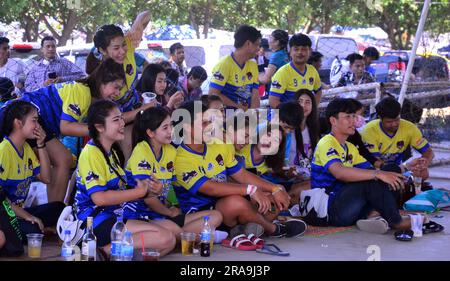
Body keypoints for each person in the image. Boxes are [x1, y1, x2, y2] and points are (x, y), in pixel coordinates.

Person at [173, 101, 306, 239]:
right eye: (204, 123)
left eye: (210, 122)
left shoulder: (219, 144)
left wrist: (275, 188)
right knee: (236, 202)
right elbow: (211, 188)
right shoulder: (179, 158)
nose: (210, 127)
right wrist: (250, 190)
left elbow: (240, 174)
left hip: (226, 205)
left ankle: (241, 229)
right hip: (203, 213)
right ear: (187, 127)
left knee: (275, 198)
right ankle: (274, 229)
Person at [0, 58, 126, 202]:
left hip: (30, 116)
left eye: (120, 89)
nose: (118, 93)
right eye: (116, 87)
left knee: (62, 160)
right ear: (102, 81)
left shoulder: (88, 94)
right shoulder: (83, 91)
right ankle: (55, 211)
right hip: (24, 115)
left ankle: (52, 210)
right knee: (63, 159)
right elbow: (66, 127)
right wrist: (103, 131)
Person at [311, 98, 430, 237]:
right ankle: (396, 222)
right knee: (373, 180)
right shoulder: (327, 142)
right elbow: (339, 172)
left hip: (347, 204)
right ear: (333, 121)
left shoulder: (349, 147)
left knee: (390, 170)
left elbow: (374, 170)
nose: (353, 121)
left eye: (354, 116)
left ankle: (371, 215)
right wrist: (378, 175)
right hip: (329, 210)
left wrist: (406, 167)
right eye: (347, 117)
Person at [74, 100, 176, 257]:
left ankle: (113, 254)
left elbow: (125, 190)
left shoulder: (111, 151)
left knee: (169, 235)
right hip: (94, 219)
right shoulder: (91, 153)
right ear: (99, 127)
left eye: (121, 118)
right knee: (165, 238)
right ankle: (100, 254)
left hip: (114, 213)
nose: (122, 123)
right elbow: (99, 198)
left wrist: (154, 190)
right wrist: (140, 191)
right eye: (116, 120)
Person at [123, 106, 222, 239]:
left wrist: (173, 205)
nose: (171, 131)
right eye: (165, 128)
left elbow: (171, 186)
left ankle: (184, 237)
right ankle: (196, 238)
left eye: (171, 126)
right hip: (139, 215)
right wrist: (170, 213)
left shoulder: (170, 150)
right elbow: (149, 199)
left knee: (215, 216)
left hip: (162, 214)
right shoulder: (142, 152)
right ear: (151, 133)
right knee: (172, 228)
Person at [0, 100, 65, 236]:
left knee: (59, 208)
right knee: (32, 229)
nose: (38, 126)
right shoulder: (4, 151)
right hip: (4, 213)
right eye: (34, 121)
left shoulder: (27, 149)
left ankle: (31, 227)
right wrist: (27, 216)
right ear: (18, 123)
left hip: (18, 213)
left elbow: (46, 178)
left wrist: (41, 145)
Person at [361, 97, 434, 179]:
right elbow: (376, 163)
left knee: (423, 173)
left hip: (397, 169)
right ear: (380, 118)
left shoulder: (410, 128)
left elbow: (428, 152)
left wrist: (423, 164)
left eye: (397, 119)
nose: (394, 124)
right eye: (389, 122)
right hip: (373, 171)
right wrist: (405, 167)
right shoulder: (369, 130)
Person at [209, 25, 261, 110]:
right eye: (257, 45)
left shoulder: (253, 64)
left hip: (245, 118)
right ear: (248, 44)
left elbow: (255, 95)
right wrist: (238, 107)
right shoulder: (224, 64)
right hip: (226, 118)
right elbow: (212, 95)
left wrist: (252, 115)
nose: (259, 49)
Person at [269, 33, 322, 109]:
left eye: (304, 49)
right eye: (296, 49)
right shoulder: (283, 72)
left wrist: (312, 108)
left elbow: (319, 91)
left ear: (310, 51)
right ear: (290, 51)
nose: (300, 52)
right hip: (285, 119)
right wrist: (292, 115)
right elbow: (273, 101)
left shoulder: (312, 70)